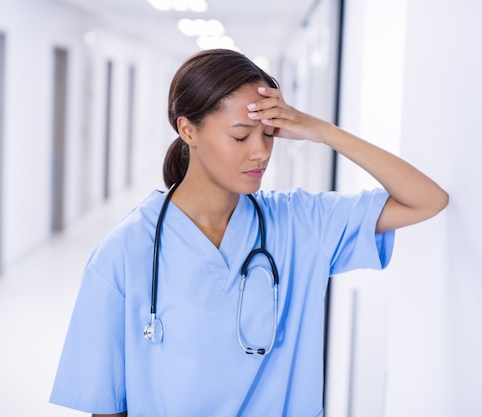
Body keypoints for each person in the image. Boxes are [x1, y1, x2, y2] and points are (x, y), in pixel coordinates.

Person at [50, 48, 448, 417]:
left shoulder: (301, 224)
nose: (260, 152)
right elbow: (105, 405)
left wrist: (324, 132)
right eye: (241, 135)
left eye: (269, 134)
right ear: (187, 130)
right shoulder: (125, 251)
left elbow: (426, 200)